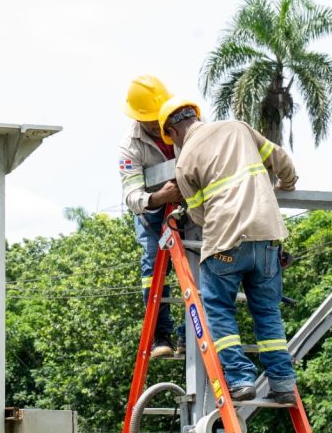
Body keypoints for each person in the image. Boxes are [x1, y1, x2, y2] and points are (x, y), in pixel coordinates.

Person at [158, 97, 298, 403]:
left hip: (225, 243)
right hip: (267, 236)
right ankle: (283, 383)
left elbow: (198, 216)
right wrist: (287, 184)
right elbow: (280, 159)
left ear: (174, 133)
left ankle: (241, 379)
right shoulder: (238, 128)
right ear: (195, 116)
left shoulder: (184, 161)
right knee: (268, 312)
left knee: (219, 310)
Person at [118, 75, 185, 358]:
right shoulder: (130, 146)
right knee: (153, 265)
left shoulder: (185, 119)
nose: (157, 125)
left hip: (189, 208)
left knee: (199, 267)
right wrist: (160, 197)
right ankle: (161, 335)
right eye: (150, 120)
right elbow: (132, 195)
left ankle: (187, 334)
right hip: (153, 214)